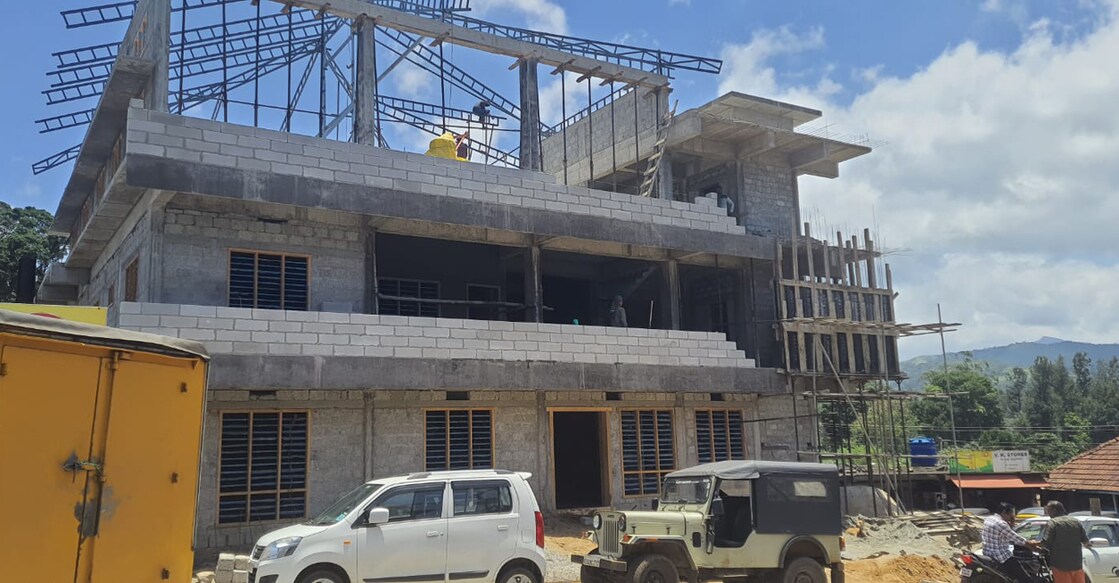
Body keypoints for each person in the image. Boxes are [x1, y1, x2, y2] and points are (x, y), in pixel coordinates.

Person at [982, 502, 1039, 583]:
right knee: (1023, 576)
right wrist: (1029, 544)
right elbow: (1015, 538)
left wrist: (1011, 522)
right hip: (1000, 556)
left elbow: (1007, 534)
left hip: (987, 553)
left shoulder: (989, 519)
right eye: (1011, 514)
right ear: (1004, 512)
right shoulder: (1001, 523)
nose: (1012, 516)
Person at [1041, 501, 1090, 583]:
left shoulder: (1053, 523)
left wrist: (1033, 544)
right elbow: (1086, 542)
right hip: (1077, 565)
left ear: (1054, 510)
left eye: (1048, 510)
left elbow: (1045, 543)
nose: (1047, 513)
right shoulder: (1076, 522)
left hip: (1060, 565)